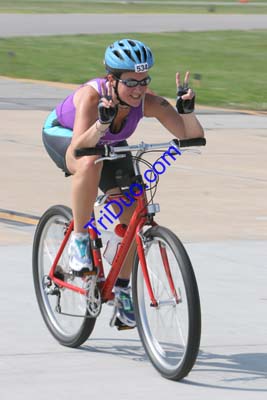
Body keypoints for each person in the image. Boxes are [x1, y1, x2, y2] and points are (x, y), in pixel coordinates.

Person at [42, 38, 204, 329]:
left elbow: (191, 136)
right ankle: (80, 241)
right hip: (67, 136)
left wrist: (187, 110)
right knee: (89, 163)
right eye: (131, 82)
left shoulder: (148, 101)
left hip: (108, 144)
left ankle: (121, 290)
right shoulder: (92, 97)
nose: (139, 89)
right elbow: (75, 152)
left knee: (132, 217)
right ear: (111, 79)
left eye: (144, 81)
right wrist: (102, 124)